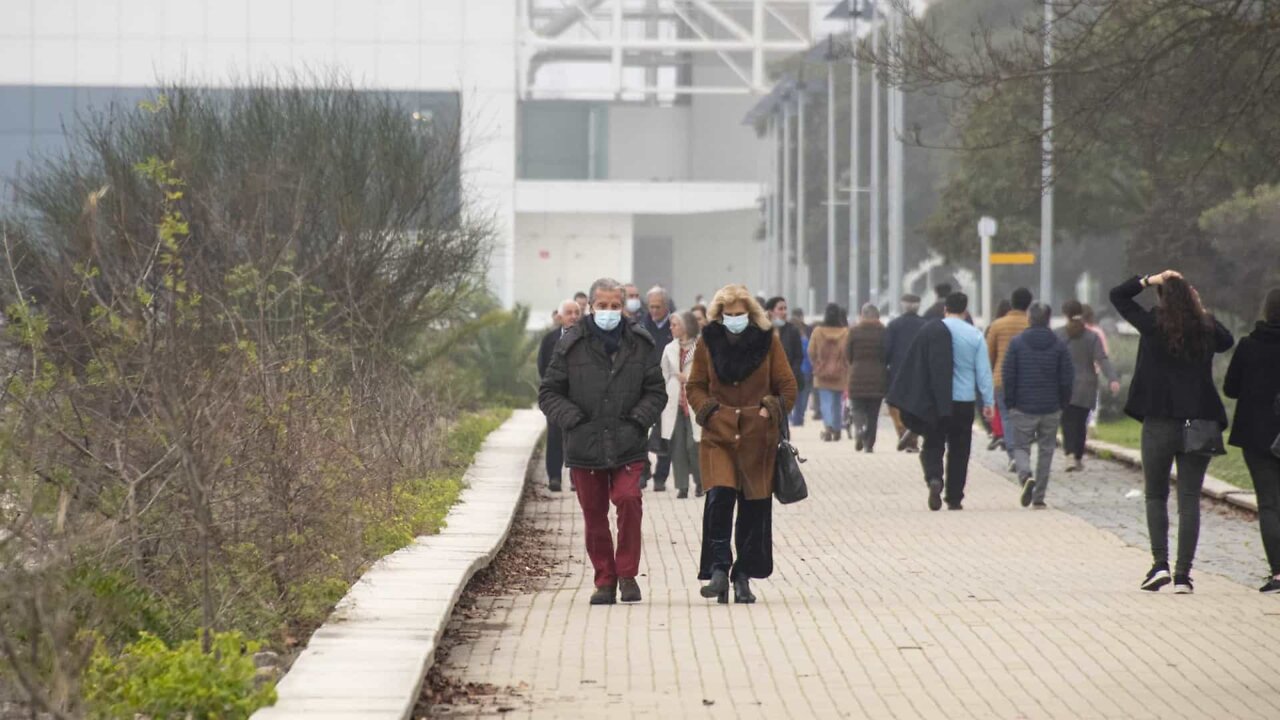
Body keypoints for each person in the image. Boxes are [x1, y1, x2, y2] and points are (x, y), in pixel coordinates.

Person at [538, 278, 667, 605]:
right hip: (585, 445)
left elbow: (656, 391)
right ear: (590, 307)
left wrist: (639, 420)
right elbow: (549, 392)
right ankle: (604, 580)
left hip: (628, 442)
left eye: (614, 306)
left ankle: (627, 574)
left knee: (628, 499)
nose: (608, 312)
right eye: (602, 306)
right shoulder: (570, 344)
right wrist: (573, 420)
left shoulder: (640, 342)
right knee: (594, 516)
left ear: (622, 307)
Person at [1110, 270, 1233, 594]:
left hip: (1160, 421)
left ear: (1161, 299)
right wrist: (1200, 309)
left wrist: (1150, 279)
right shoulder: (1205, 327)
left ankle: (1159, 564)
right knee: (1189, 499)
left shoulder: (1153, 325)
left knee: (1155, 495)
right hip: (1200, 422)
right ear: (1192, 298)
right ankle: (1183, 575)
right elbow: (1227, 340)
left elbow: (1118, 296)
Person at [686, 285, 797, 604]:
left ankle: (743, 576)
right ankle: (719, 569)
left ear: (751, 314)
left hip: (757, 438)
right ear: (719, 316)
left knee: (754, 509)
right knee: (719, 500)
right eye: (729, 315)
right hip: (718, 435)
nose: (734, 319)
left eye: (740, 314)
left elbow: (787, 387)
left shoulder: (768, 341)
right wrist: (709, 411)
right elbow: (695, 386)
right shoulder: (708, 342)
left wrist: (768, 410)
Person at [889, 293, 994, 511]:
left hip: (937, 400)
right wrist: (988, 402)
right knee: (960, 448)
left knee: (933, 442)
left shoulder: (931, 331)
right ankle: (954, 497)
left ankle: (934, 478)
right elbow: (983, 373)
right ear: (966, 311)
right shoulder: (974, 335)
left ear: (945, 308)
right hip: (964, 401)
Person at [1223, 288, 1280, 593]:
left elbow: (1231, 388)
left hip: (1256, 435)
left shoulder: (1249, 345)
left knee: (1269, 503)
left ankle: (1278, 572)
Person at [1002, 303, 1073, 508]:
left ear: (1029, 319)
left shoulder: (1016, 344)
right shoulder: (1059, 345)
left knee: (1021, 447)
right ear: (1049, 319)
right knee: (1046, 450)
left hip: (1023, 406)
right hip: (1051, 407)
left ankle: (1025, 476)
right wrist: (1063, 402)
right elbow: (1067, 378)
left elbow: (1009, 375)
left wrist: (1010, 402)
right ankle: (1039, 496)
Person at [1058, 299, 1121, 472]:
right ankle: (1078, 456)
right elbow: (1102, 359)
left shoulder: (1059, 335)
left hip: (1065, 385)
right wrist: (1112, 378)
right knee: (1080, 423)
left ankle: (1069, 454)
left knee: (1067, 422)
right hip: (1087, 385)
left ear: (1065, 314)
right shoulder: (1091, 337)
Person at [537, 299, 582, 492]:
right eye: (569, 313)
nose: (573, 316)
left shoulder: (586, 338)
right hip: (556, 395)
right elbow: (542, 365)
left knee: (577, 438)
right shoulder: (550, 339)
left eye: (576, 313)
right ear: (560, 316)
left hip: (579, 396)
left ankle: (576, 478)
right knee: (554, 436)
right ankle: (554, 477)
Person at [987, 287, 1032, 469]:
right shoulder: (1031, 324)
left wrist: (990, 374)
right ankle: (1024, 453)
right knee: (1025, 418)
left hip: (1001, 378)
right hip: (1027, 379)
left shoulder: (997, 325)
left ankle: (1013, 455)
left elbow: (989, 354)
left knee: (1006, 416)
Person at [661, 312, 703, 499]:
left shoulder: (702, 347)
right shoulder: (669, 348)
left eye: (675, 324)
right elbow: (664, 374)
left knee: (694, 445)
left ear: (686, 326)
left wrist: (691, 378)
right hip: (675, 402)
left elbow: (708, 373)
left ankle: (701, 482)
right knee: (677, 445)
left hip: (695, 401)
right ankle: (682, 486)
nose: (671, 328)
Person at [641, 288, 675, 491]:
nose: (653, 311)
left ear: (666, 306)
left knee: (666, 432)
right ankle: (643, 471)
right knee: (640, 430)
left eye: (657, 307)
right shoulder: (640, 326)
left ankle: (661, 477)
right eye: (651, 306)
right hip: (645, 386)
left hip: (669, 386)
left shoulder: (675, 326)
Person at [885, 293, 927, 452]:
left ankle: (902, 431)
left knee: (895, 405)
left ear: (903, 305)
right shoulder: (926, 325)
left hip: (898, 371)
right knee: (916, 405)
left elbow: (886, 351)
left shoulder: (894, 325)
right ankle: (913, 435)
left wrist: (886, 365)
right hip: (920, 372)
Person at [846, 303, 888, 452]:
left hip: (857, 376)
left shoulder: (854, 331)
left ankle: (859, 429)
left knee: (857, 408)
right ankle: (869, 444)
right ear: (877, 316)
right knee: (873, 414)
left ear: (862, 315)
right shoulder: (883, 332)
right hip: (878, 378)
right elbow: (886, 354)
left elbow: (848, 355)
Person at [808, 303, 850, 441]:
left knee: (825, 401)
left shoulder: (817, 331)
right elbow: (848, 353)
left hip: (821, 372)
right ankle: (837, 429)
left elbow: (811, 351)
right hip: (840, 372)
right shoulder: (845, 332)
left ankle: (828, 427)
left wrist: (816, 363)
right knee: (837, 402)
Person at [766, 297, 805, 423]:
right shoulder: (763, 331)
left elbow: (798, 356)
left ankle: (781, 437)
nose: (784, 312)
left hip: (785, 379)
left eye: (785, 309)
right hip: (766, 380)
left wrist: (792, 372)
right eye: (780, 309)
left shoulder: (792, 331)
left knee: (783, 412)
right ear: (771, 312)